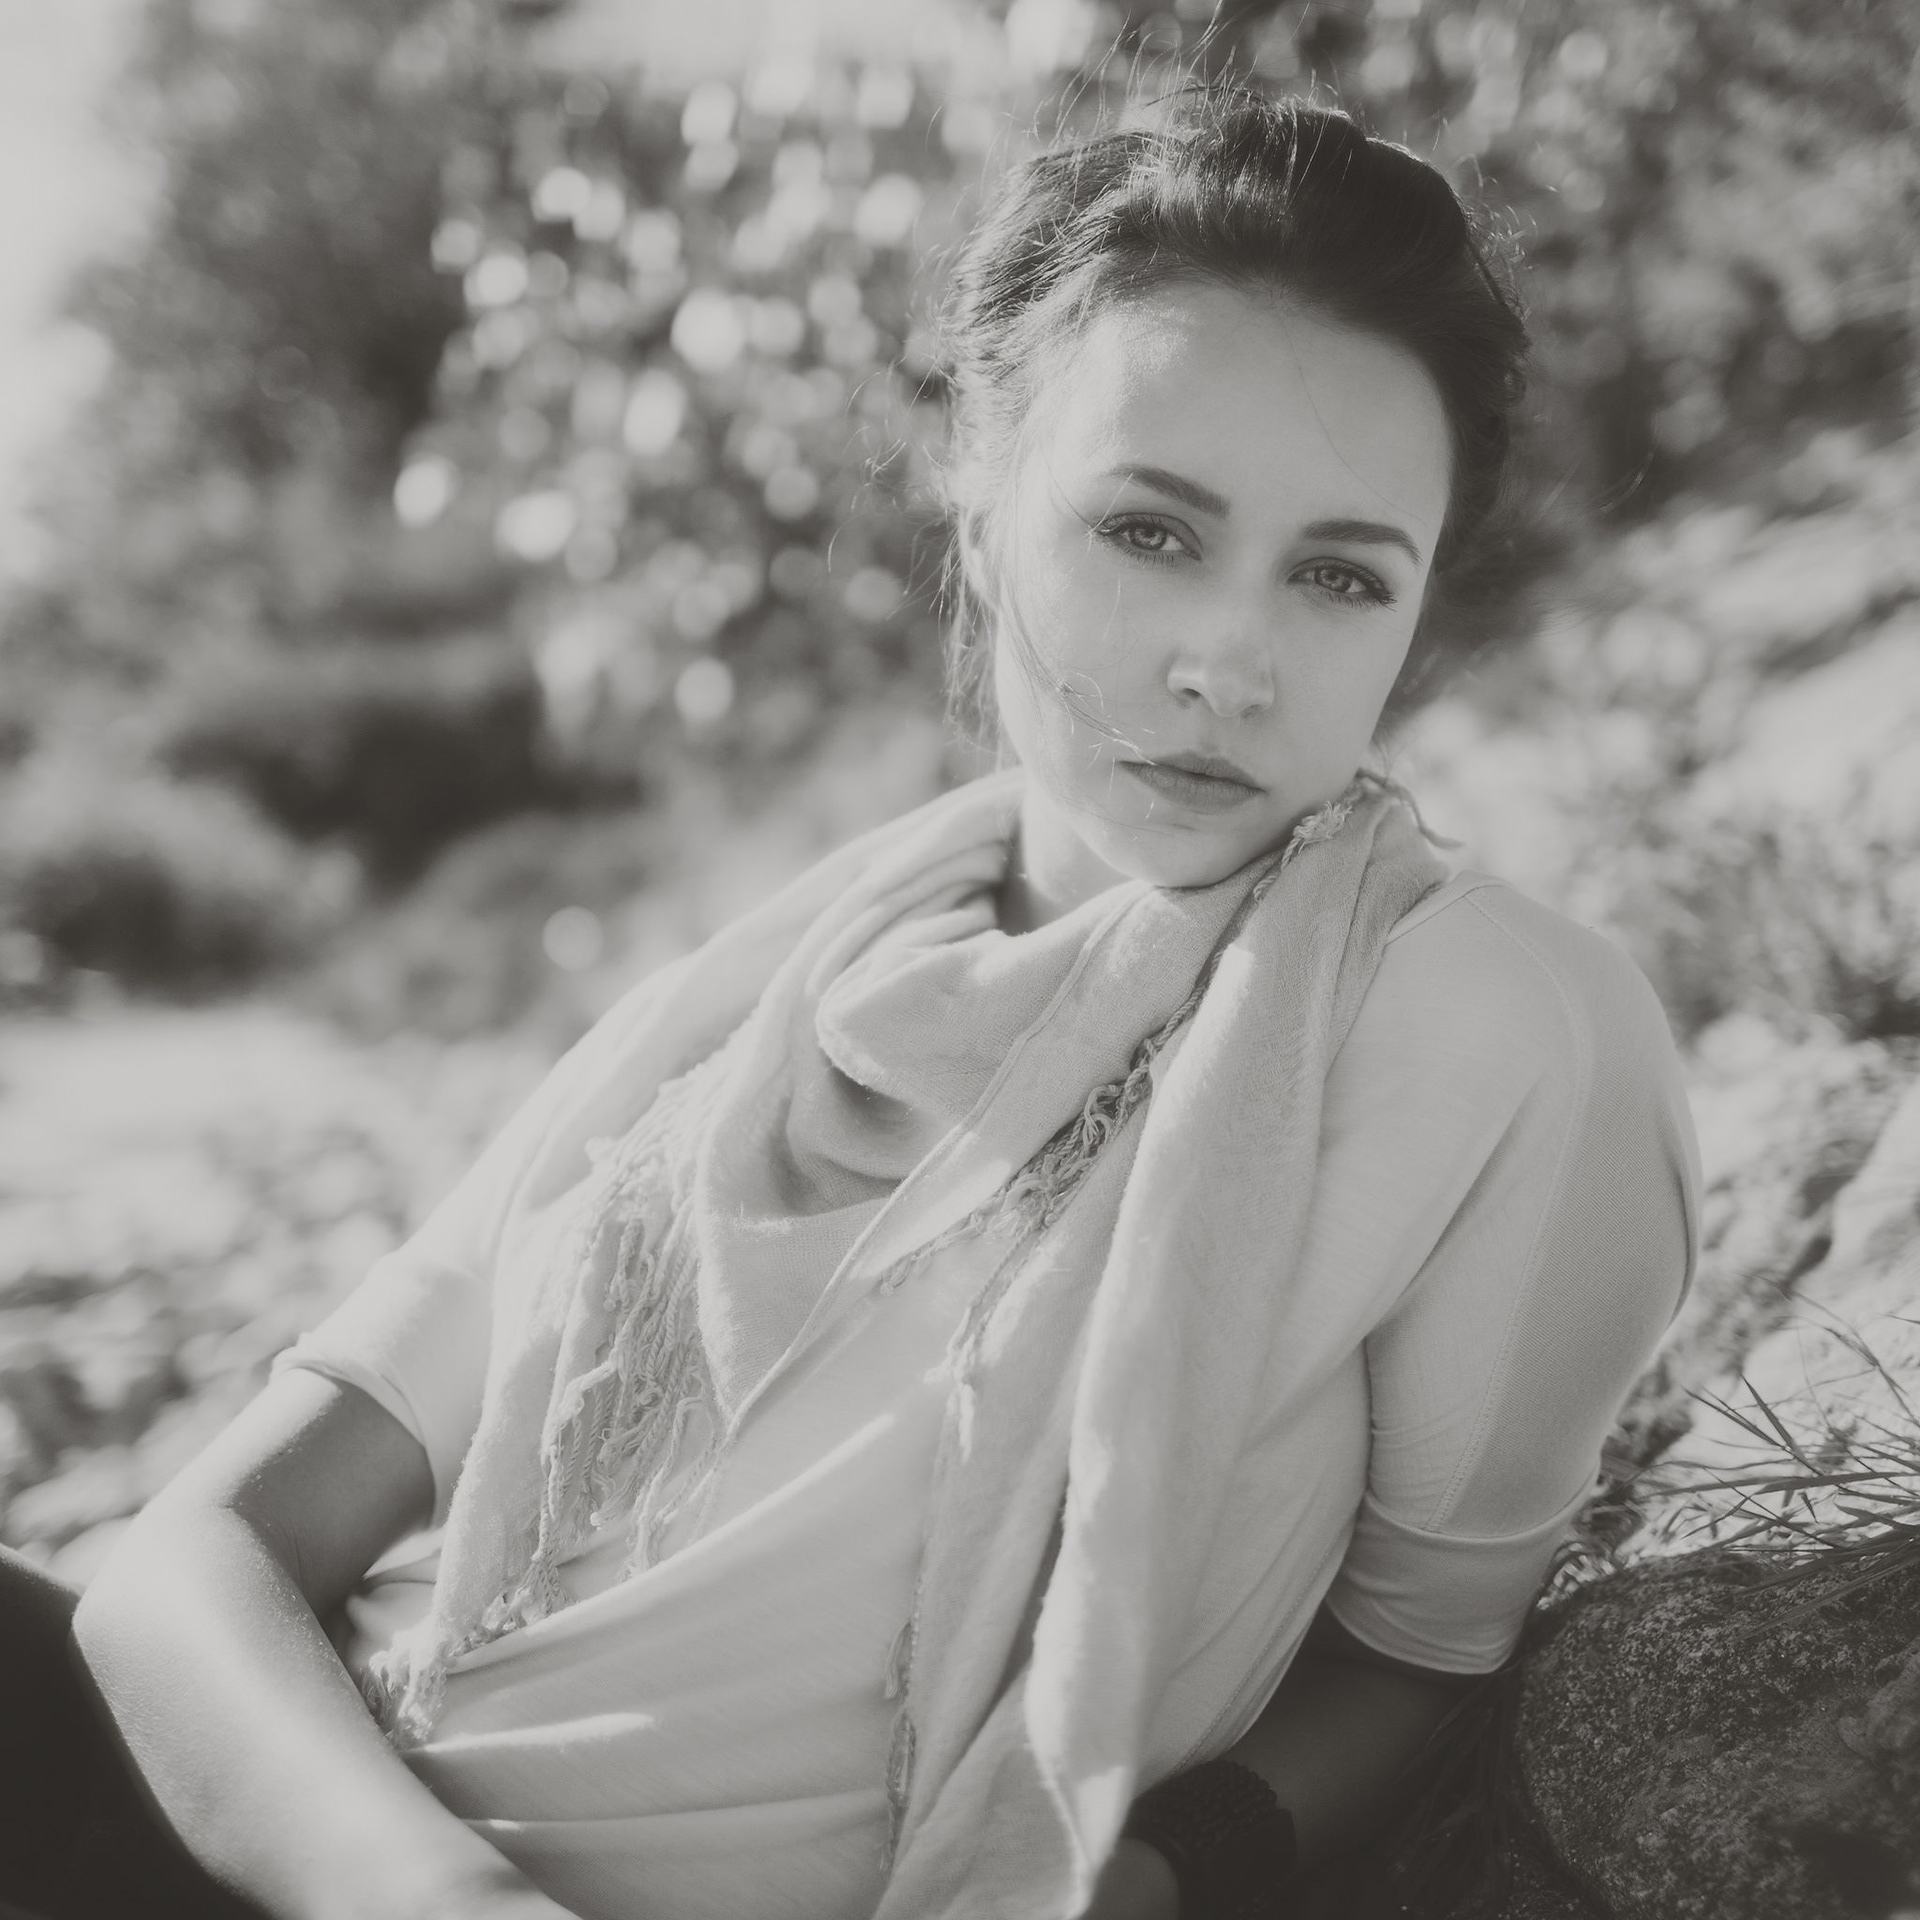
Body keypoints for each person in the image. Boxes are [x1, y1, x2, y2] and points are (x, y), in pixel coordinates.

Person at [1, 88, 1698, 1920]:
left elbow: (1424, 1661)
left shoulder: (1489, 1021)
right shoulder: (779, 983)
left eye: (1342, 576)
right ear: (982, 499)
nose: (1231, 663)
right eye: (1150, 531)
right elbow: (197, 1558)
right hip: (293, 1830)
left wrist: (1147, 1878)